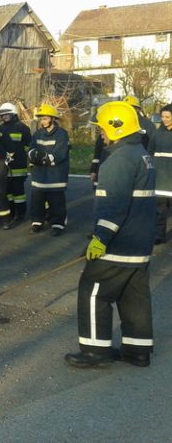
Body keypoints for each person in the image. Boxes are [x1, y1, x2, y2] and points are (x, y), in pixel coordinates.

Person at [65, 101, 155, 368]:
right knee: (133, 296)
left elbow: (113, 205)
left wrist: (100, 238)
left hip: (119, 245)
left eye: (102, 128)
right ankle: (137, 352)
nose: (100, 133)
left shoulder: (118, 160)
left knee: (93, 292)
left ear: (116, 127)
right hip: (140, 245)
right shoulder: (140, 154)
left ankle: (94, 351)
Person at [27, 104, 70, 236]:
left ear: (52, 119)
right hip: (39, 175)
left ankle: (57, 224)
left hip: (56, 175)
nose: (42, 121)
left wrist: (44, 158)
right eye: (41, 119)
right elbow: (31, 148)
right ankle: (37, 222)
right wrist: (32, 155)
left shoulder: (62, 134)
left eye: (45, 118)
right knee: (37, 201)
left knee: (56, 202)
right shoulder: (38, 134)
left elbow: (61, 153)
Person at [0, 102, 32, 223]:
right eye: (3, 115)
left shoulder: (22, 127)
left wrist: (21, 156)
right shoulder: (0, 128)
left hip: (18, 165)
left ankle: (21, 214)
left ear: (14, 114)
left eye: (7, 114)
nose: (5, 116)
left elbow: (29, 146)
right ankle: (11, 212)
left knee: (18, 192)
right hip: (4, 166)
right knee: (7, 192)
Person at [149, 103, 172, 244]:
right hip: (160, 180)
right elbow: (150, 152)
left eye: (168, 117)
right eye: (162, 116)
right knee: (159, 211)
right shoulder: (157, 133)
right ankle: (159, 235)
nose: (164, 119)